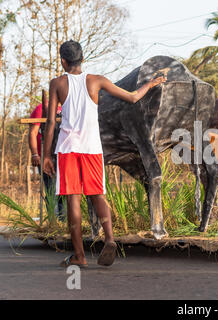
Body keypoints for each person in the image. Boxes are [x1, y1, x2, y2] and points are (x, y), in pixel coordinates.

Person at [43, 40, 166, 267]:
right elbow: (132, 97)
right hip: (92, 149)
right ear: (82, 59)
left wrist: (46, 156)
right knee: (98, 194)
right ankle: (109, 239)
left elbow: (51, 122)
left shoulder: (57, 83)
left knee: (73, 200)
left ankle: (79, 257)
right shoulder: (96, 81)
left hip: (68, 149)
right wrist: (151, 84)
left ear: (63, 61)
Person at [29, 102, 65, 221]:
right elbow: (33, 132)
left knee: (64, 191)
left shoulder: (68, 106)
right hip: (46, 157)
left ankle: (64, 222)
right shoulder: (42, 108)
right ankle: (53, 223)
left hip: (64, 156)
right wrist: (35, 154)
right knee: (51, 190)